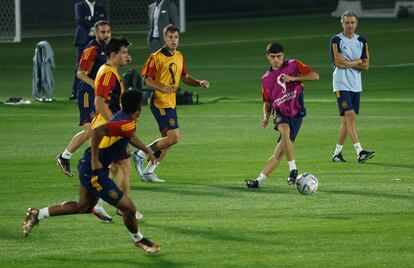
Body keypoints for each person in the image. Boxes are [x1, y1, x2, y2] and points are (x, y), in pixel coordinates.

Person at [22, 89, 160, 254]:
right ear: (139, 108)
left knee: (84, 206)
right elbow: (97, 132)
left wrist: (147, 150)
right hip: (95, 171)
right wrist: (95, 160)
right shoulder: (124, 122)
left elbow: (129, 135)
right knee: (128, 208)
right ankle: (139, 239)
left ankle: (37, 214)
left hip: (88, 166)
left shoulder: (126, 119)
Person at [132, 24, 209, 182]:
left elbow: (185, 77)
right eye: (170, 37)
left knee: (167, 142)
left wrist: (199, 82)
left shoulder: (179, 56)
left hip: (171, 102)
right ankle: (140, 153)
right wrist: (161, 87)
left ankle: (148, 172)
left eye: (176, 37)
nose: (173, 40)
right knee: (174, 137)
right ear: (164, 38)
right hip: (159, 103)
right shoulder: (156, 57)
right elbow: (146, 80)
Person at [56, 20, 112, 222]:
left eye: (108, 32)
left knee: (99, 130)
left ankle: (72, 159)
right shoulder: (91, 50)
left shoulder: (109, 47)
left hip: (100, 95)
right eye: (103, 32)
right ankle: (74, 160)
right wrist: (97, 85)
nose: (106, 35)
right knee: (92, 131)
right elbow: (80, 73)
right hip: (88, 94)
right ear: (96, 33)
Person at [245, 42, 319, 188]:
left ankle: (258, 181)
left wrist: (294, 78)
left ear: (283, 55)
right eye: (273, 57)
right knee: (284, 131)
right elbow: (267, 102)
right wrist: (266, 117)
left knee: (279, 152)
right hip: (280, 112)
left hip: (297, 112)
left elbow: (315, 76)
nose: (276, 60)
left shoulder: (293, 64)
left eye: (279, 56)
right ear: (267, 57)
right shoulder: (265, 79)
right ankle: (293, 169)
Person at [330, 11, 375, 163]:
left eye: (352, 22)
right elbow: (338, 63)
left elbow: (366, 65)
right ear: (342, 23)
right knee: (350, 116)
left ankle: (337, 154)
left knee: (347, 120)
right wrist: (357, 62)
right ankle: (360, 151)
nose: (349, 25)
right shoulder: (336, 40)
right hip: (341, 83)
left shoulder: (361, 40)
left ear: (356, 24)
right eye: (347, 22)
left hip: (355, 84)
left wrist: (349, 62)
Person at [71, 0, 107, 100]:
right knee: (80, 65)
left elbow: (103, 21)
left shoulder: (100, 7)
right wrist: (96, 20)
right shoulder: (79, 6)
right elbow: (80, 21)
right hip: (83, 39)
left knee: (98, 64)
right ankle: (75, 92)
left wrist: (89, 19)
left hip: (96, 40)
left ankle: (96, 90)